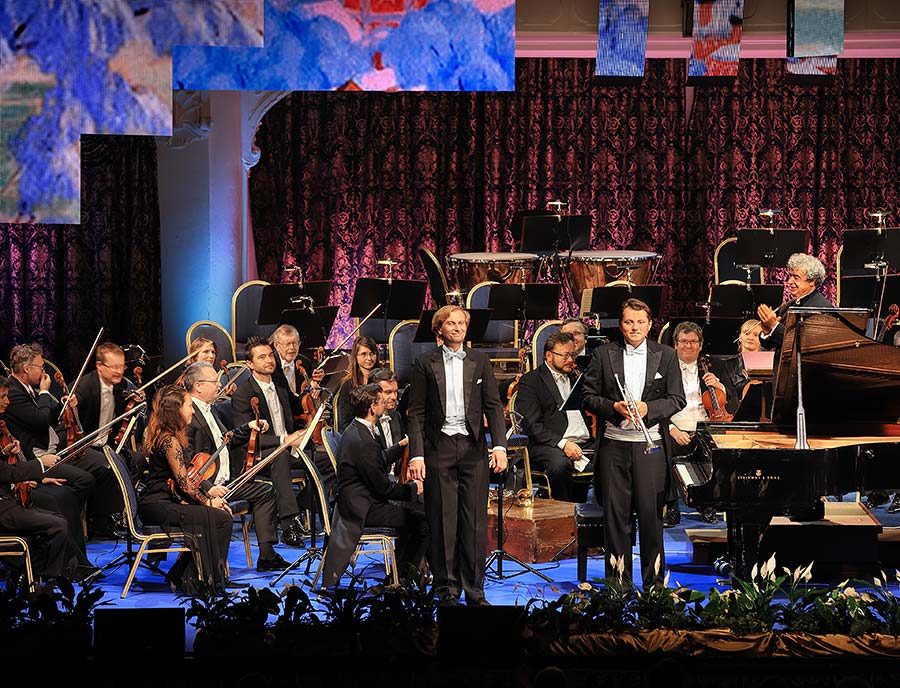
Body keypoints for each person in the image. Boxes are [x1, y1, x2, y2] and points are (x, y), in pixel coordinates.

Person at [407, 305, 507, 606]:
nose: (457, 327)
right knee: (442, 521)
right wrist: (417, 455)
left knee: (474, 522)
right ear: (439, 328)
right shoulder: (425, 362)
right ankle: (446, 590)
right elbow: (417, 413)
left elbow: (494, 406)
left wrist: (499, 446)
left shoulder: (480, 361)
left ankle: (475, 590)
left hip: (474, 449)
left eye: (461, 322)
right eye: (451, 323)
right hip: (439, 448)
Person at [582, 298, 685, 589]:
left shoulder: (666, 354)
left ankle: (654, 588)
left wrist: (648, 409)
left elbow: (677, 398)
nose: (634, 327)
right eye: (629, 322)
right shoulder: (603, 354)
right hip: (614, 449)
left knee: (652, 520)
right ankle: (619, 587)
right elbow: (588, 396)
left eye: (640, 322)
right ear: (620, 324)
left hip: (649, 448)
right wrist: (614, 406)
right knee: (616, 520)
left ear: (650, 324)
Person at [2, 343, 119, 540]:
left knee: (102, 465)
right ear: (27, 369)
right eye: (40, 366)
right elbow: (40, 421)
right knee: (84, 480)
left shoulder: (27, 388)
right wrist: (45, 392)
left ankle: (90, 520)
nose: (43, 371)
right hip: (38, 455)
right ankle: (74, 521)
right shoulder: (12, 392)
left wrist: (63, 406)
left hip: (53, 449)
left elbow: (49, 418)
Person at [183, 361, 290, 573]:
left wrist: (248, 427)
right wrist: (207, 488)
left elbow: (226, 440)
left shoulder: (210, 410)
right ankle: (215, 571)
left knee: (266, 491)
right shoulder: (188, 415)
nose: (218, 385)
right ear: (198, 386)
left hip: (226, 482)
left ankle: (267, 556)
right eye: (214, 381)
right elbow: (185, 466)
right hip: (206, 488)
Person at [319, 384, 428, 587]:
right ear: (372, 407)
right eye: (381, 401)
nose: (385, 404)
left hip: (358, 501)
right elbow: (383, 489)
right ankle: (402, 577)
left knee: (416, 512)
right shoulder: (363, 441)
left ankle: (400, 575)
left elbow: (374, 461)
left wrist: (400, 447)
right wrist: (414, 488)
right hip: (363, 509)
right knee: (423, 520)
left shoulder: (357, 429)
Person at [139, 384, 236, 593]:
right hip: (157, 504)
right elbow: (184, 484)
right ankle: (198, 580)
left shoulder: (170, 436)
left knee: (218, 516)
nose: (193, 410)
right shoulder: (169, 440)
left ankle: (188, 576)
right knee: (221, 518)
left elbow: (184, 484)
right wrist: (208, 501)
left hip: (164, 502)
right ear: (176, 410)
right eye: (190, 406)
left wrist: (208, 500)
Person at [0, 376, 94, 582]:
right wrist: (41, 466)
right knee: (56, 523)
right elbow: (5, 473)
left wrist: (7, 454)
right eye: (3, 397)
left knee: (60, 507)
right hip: (3, 506)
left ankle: (54, 571)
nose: (7, 401)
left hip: (11, 497)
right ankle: (48, 579)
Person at [230, 337, 308, 546]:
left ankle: (298, 507)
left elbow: (298, 409)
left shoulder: (280, 383)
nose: (269, 361)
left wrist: (311, 394)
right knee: (279, 455)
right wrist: (284, 439)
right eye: (262, 357)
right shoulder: (243, 395)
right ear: (250, 364)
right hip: (259, 454)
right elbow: (247, 437)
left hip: (289, 448)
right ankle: (289, 523)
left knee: (326, 459)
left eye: (271, 355)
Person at [661, 321, 735, 527]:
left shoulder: (713, 366)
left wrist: (720, 386)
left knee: (715, 454)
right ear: (675, 344)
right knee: (665, 453)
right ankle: (672, 508)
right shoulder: (664, 369)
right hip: (675, 427)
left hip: (703, 427)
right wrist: (672, 429)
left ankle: (708, 504)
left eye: (693, 342)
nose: (689, 346)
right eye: (684, 341)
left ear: (701, 345)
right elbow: (656, 404)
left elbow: (734, 399)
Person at [514, 331, 594, 503]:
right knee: (560, 466)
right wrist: (564, 444)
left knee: (614, 456)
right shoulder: (531, 381)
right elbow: (532, 425)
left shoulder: (577, 376)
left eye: (573, 355)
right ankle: (564, 513)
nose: (571, 360)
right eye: (565, 355)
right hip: (549, 444)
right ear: (549, 356)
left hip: (585, 440)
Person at [757, 252, 832, 367]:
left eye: (796, 277)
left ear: (812, 281)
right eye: (790, 276)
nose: (789, 282)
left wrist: (774, 326)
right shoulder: (788, 305)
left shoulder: (820, 307)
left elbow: (805, 346)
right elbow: (773, 345)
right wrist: (767, 331)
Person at [269, 324, 325, 418]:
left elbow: (307, 390)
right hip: (278, 413)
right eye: (287, 344)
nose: (292, 348)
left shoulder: (305, 362)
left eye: (295, 343)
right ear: (276, 345)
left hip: (301, 413)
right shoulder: (270, 365)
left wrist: (314, 386)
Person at [334, 336, 379, 433]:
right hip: (356, 434)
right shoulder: (347, 384)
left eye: (372, 354)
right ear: (355, 356)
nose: (369, 358)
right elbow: (346, 421)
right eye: (363, 354)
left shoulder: (382, 380)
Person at [369, 367, 407, 477]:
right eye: (388, 392)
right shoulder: (367, 421)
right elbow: (374, 462)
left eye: (395, 391)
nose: (394, 397)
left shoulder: (395, 416)